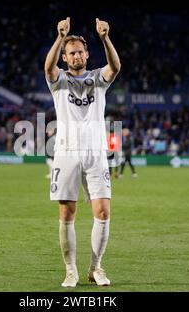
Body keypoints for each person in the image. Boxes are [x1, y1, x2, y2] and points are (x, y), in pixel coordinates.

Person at [44, 17, 121, 287]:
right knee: (67, 214)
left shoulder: (98, 78)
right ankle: (70, 271)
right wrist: (59, 36)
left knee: (103, 212)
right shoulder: (59, 81)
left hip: (96, 153)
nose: (76, 55)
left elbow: (115, 66)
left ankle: (95, 268)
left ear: (87, 54)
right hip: (66, 152)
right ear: (65, 58)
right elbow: (48, 66)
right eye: (71, 52)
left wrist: (105, 37)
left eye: (80, 51)